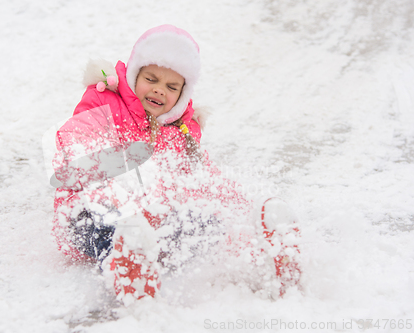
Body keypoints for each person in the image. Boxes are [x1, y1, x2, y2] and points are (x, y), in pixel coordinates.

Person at [52, 25, 301, 305]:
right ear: (134, 74)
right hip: (86, 213)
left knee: (207, 222)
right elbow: (75, 146)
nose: (159, 90)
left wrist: (242, 211)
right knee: (114, 223)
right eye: (151, 78)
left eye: (172, 87)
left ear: (183, 92)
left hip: (153, 220)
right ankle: (131, 275)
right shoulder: (105, 101)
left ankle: (262, 257)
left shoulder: (178, 130)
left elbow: (204, 179)